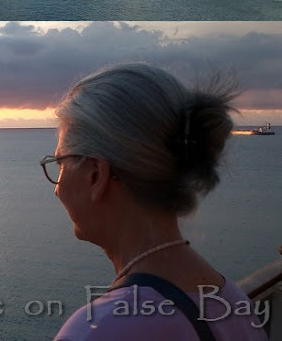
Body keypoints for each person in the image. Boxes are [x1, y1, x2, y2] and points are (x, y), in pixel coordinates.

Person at [42, 63, 267, 340]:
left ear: (95, 175)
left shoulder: (101, 330)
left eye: (60, 164)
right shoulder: (233, 303)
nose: (57, 189)